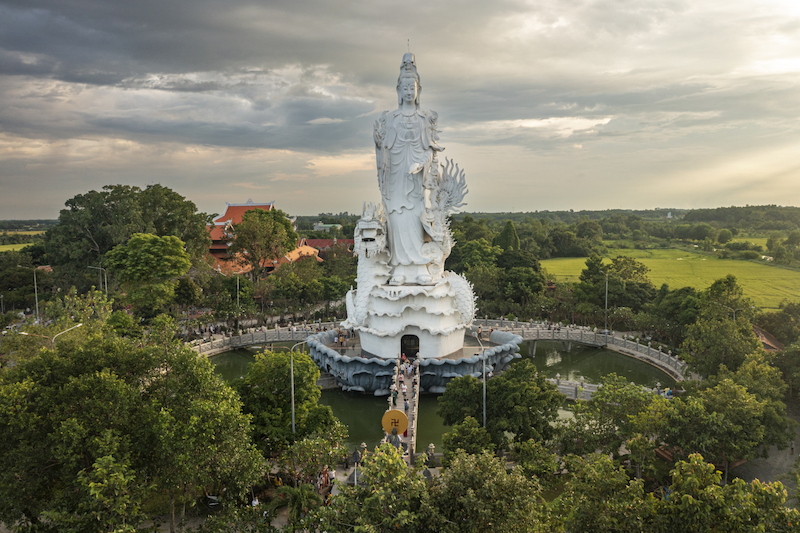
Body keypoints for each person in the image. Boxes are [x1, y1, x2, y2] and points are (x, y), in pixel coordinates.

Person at [374, 53, 444, 286]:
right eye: (404, 87)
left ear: (417, 89)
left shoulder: (424, 119)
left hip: (415, 179)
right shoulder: (391, 118)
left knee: (415, 218)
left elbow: (431, 150)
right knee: (396, 218)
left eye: (411, 86)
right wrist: (378, 142)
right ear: (398, 89)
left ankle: (419, 267)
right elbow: (384, 149)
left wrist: (421, 163)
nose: (408, 91)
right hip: (395, 177)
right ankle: (400, 268)